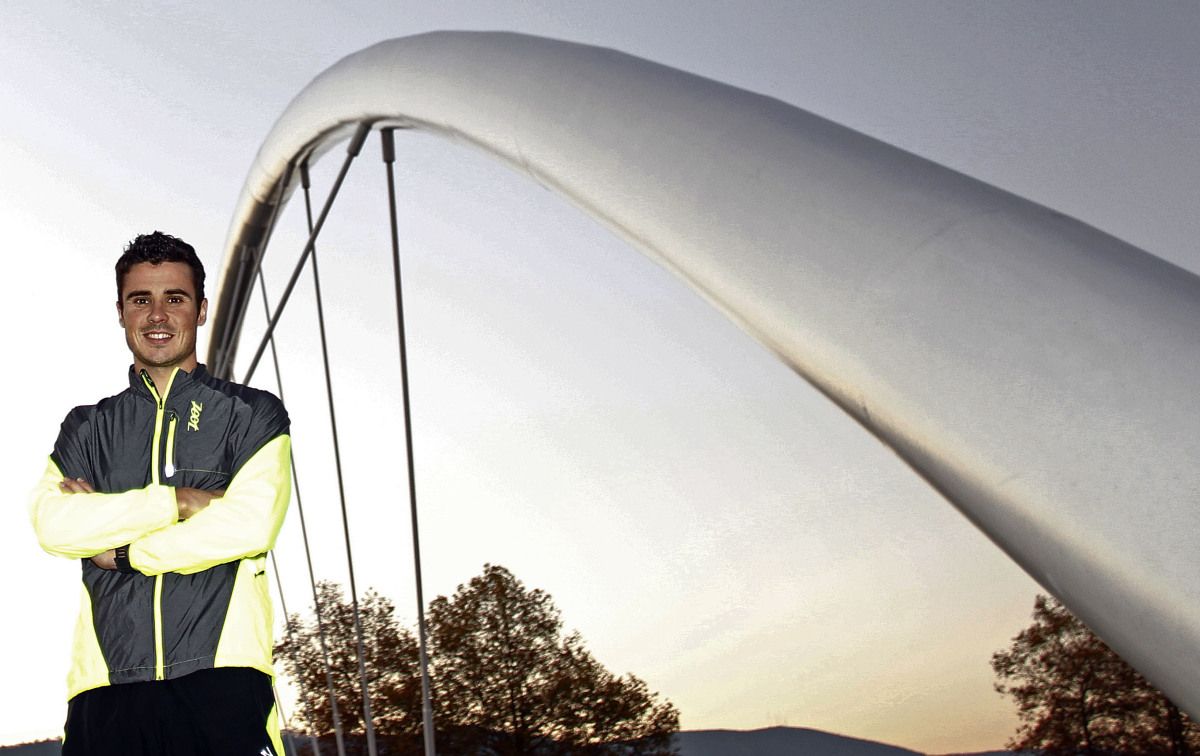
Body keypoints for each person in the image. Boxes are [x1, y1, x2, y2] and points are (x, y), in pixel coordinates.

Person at [28, 231, 292, 755]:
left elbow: (250, 523)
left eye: (175, 298)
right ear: (121, 312)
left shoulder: (254, 414)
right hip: (105, 689)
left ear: (201, 310)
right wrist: (176, 503)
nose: (157, 315)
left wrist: (126, 552)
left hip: (222, 678)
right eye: (140, 300)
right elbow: (53, 525)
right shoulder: (86, 427)